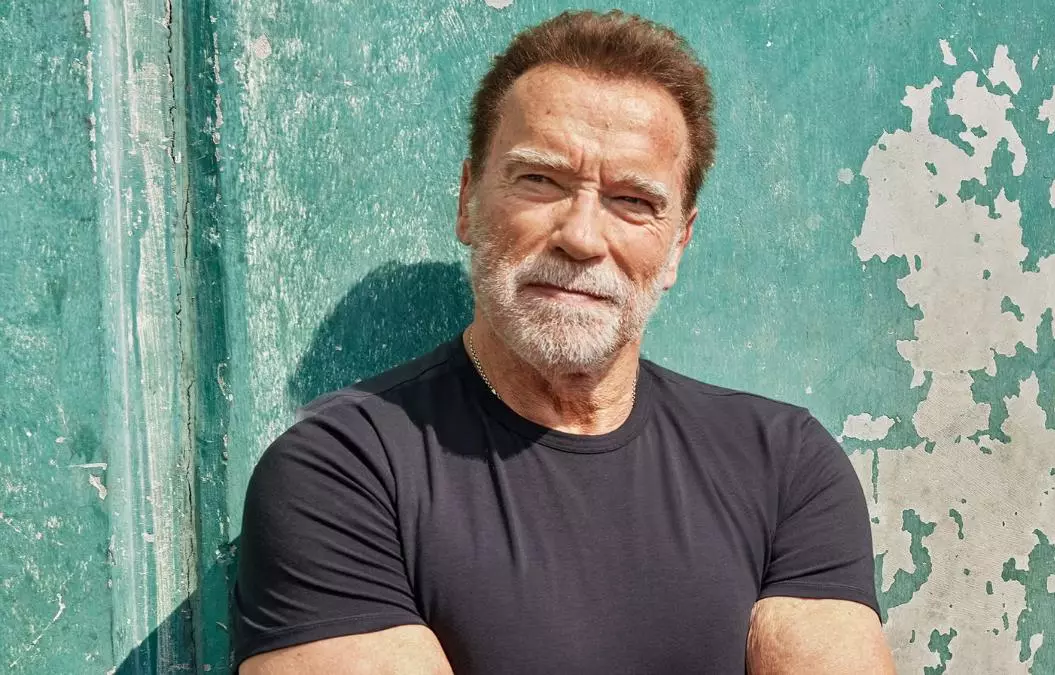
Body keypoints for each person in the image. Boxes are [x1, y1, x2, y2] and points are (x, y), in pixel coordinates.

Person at [233, 9, 895, 674]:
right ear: (468, 202)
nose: (580, 237)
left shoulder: (784, 465)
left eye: (633, 201)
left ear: (677, 245)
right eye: (541, 180)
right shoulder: (342, 471)